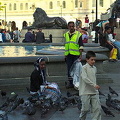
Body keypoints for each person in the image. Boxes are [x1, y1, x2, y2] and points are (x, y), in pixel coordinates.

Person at [79, 51, 101, 120]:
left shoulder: (94, 68)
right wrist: (94, 85)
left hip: (94, 92)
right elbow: (85, 78)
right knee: (85, 109)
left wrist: (95, 87)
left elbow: (93, 78)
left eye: (94, 59)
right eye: (92, 59)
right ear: (87, 59)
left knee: (97, 109)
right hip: (85, 92)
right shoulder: (84, 68)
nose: (93, 61)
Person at [64, 21, 83, 88]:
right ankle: (70, 83)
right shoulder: (66, 34)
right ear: (68, 27)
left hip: (76, 55)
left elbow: (81, 45)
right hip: (68, 54)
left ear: (74, 26)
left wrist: (80, 55)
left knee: (76, 69)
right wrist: (65, 55)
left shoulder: (78, 34)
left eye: (72, 26)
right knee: (69, 69)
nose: (71, 28)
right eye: (70, 26)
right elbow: (66, 45)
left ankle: (76, 83)